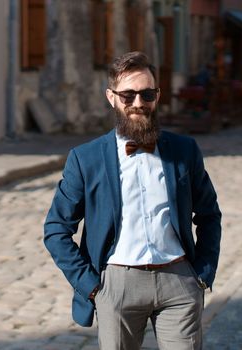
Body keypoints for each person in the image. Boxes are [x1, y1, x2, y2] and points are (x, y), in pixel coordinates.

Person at [43, 51, 221, 350]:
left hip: (178, 281)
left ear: (158, 95)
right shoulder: (85, 158)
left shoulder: (184, 150)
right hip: (117, 284)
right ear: (111, 97)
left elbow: (208, 215)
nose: (138, 103)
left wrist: (202, 273)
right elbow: (56, 229)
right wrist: (92, 287)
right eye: (128, 95)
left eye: (147, 94)